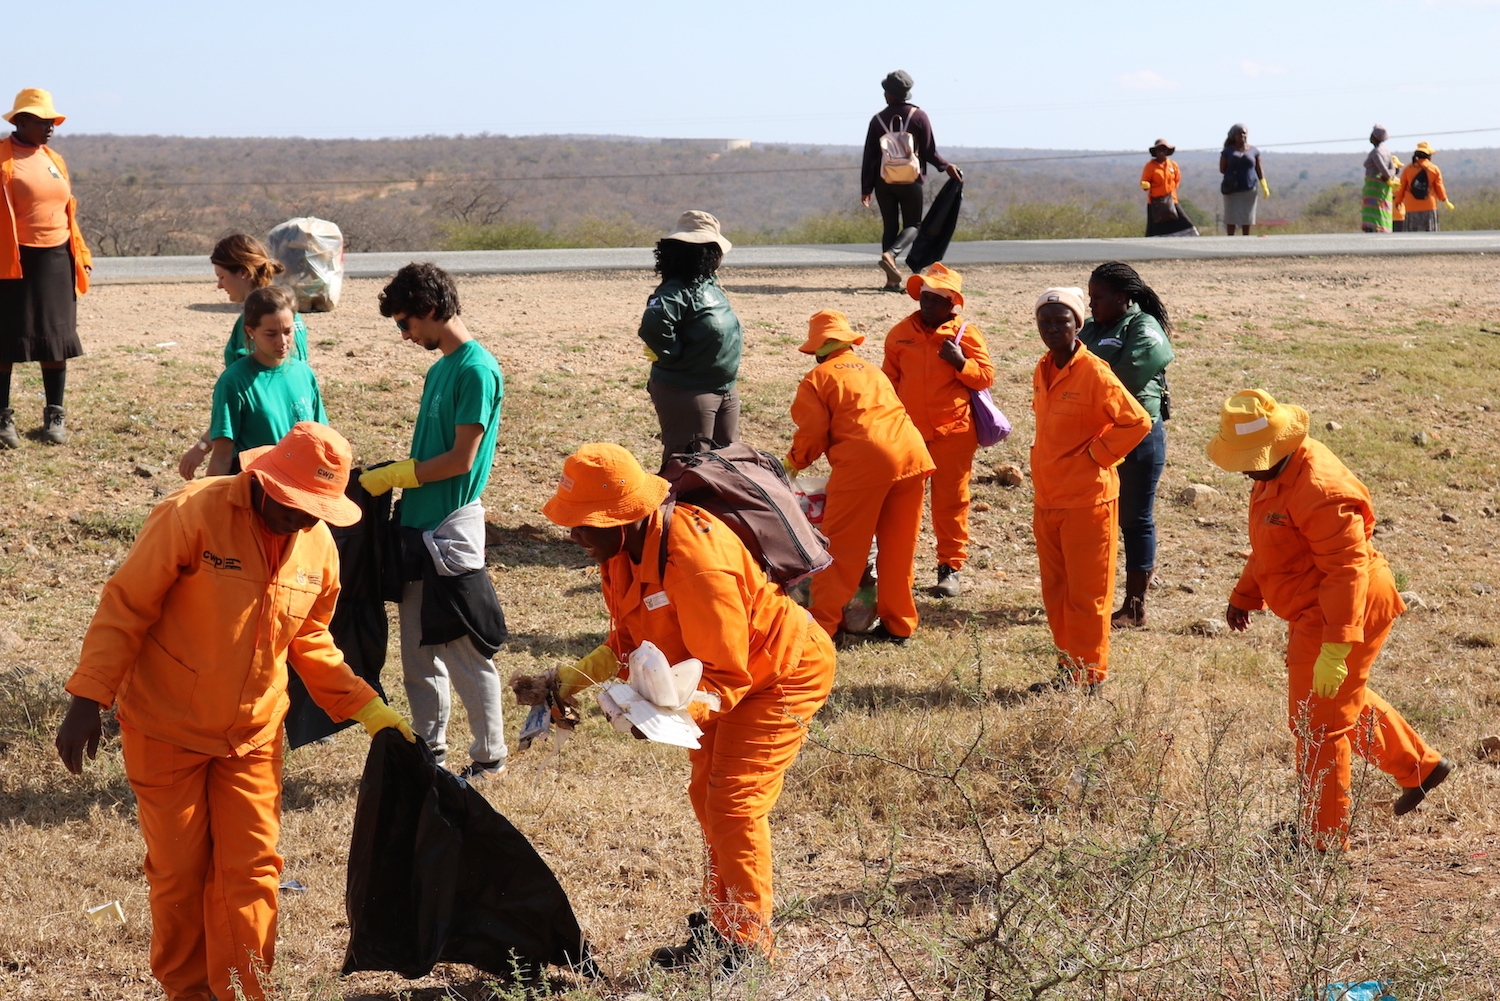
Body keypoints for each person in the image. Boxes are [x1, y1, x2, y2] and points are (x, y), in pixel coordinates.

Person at [54, 422, 415, 1001]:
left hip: (253, 735)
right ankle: (187, 992)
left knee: (252, 875)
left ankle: (245, 993)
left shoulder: (319, 546)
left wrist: (370, 711)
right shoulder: (190, 514)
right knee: (178, 877)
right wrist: (88, 697)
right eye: (293, 503)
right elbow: (128, 605)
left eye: (314, 509)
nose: (301, 518)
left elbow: (312, 641)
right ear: (263, 478)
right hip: (166, 729)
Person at [529, 443, 836, 972]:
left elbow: (726, 674)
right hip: (726, 677)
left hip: (780, 675)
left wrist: (663, 721)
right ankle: (722, 924)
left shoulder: (696, 564)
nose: (573, 536)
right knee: (707, 795)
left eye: (583, 525)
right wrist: (564, 681)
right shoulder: (623, 551)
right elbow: (628, 639)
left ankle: (748, 946)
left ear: (621, 517)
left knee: (734, 802)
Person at [1208, 390, 1451, 849]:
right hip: (1319, 606)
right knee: (1332, 701)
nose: (1242, 469)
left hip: (1344, 607)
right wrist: (1245, 595)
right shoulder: (1275, 470)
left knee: (1317, 724)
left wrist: (1337, 646)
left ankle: (1322, 839)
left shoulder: (1319, 489)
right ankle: (1420, 767)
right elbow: (1273, 547)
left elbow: (1346, 570)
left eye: (1247, 459)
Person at [359, 263, 509, 780]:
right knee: (419, 652)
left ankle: (489, 758)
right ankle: (431, 755)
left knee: (465, 650)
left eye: (405, 323)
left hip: (449, 529)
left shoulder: (476, 368)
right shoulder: (440, 367)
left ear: (428, 309)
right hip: (416, 528)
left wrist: (398, 475)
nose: (405, 335)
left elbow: (462, 460)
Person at [785, 309, 934, 645]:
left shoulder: (818, 378)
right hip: (911, 457)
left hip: (865, 465)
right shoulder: (872, 371)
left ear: (817, 349)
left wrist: (793, 463)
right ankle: (899, 625)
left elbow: (812, 434)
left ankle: (822, 628)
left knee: (839, 551)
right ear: (849, 342)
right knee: (898, 549)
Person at [1028, 288, 1150, 691]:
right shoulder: (1043, 367)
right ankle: (1069, 670)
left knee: (1087, 596)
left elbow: (1137, 422)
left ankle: (1089, 677)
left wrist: (1097, 456)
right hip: (1048, 499)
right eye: (1045, 321)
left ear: (1079, 325)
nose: (1052, 329)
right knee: (1057, 594)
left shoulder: (1095, 372)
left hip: (1087, 501)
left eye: (1061, 321)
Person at [881, 263, 994, 598]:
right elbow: (888, 383)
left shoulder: (966, 335)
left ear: (952, 304)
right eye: (924, 297)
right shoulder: (900, 333)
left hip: (954, 433)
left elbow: (985, 377)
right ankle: (901, 570)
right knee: (904, 505)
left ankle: (950, 568)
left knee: (950, 503)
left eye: (935, 299)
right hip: (909, 435)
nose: (927, 304)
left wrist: (961, 362)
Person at [1079, 263, 1175, 628]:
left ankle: (1134, 607)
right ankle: (1090, 598)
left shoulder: (1144, 328)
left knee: (1134, 520)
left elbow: (1129, 375)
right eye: (1089, 298)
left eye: (1098, 298)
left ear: (1122, 298)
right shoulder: (1091, 329)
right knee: (1092, 519)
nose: (1092, 305)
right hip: (1095, 434)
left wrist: (1085, 385)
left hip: (1138, 435)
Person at [0, 88, 92, 447]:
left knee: (56, 340)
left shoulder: (54, 158)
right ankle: (2, 418)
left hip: (57, 259)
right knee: (4, 341)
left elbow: (68, 210)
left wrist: (79, 254)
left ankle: (55, 414)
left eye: (52, 121)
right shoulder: (3, 159)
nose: (50, 127)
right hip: (13, 261)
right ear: (20, 121)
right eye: (41, 121)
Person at [178, 234, 312, 478]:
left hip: (259, 466)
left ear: (243, 272)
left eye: (221, 276)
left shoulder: (254, 327)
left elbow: (245, 402)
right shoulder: (292, 317)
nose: (219, 285)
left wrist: (203, 446)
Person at [638, 211, 743, 466]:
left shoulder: (707, 283)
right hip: (688, 390)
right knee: (689, 463)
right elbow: (653, 326)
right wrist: (674, 354)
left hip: (723, 387)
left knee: (728, 461)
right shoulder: (674, 292)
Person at [206, 286, 326, 475]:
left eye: (288, 331)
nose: (282, 341)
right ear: (250, 331)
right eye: (271, 334)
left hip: (302, 487)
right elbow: (222, 457)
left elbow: (323, 438)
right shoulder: (234, 382)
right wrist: (212, 500)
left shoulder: (304, 374)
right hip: (258, 492)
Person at [860, 70, 962, 291]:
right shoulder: (918, 116)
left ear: (888, 94)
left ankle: (891, 280)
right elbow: (929, 151)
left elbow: (870, 157)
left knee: (890, 226)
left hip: (883, 180)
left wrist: (866, 188)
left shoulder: (877, 120)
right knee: (914, 225)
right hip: (911, 180)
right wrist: (947, 167)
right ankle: (891, 254)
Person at [1219, 124, 1268, 236]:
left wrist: (1264, 185)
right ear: (1233, 135)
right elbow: (1222, 169)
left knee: (1247, 217)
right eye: (1239, 133)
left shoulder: (1254, 151)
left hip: (1249, 188)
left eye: (1244, 133)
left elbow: (1259, 169)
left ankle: (1246, 240)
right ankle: (1230, 240)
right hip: (1232, 189)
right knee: (1231, 217)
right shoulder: (1228, 151)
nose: (1242, 135)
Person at [1395, 142, 1454, 232]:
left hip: (1411, 206)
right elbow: (1439, 187)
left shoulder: (1408, 169)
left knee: (1412, 236)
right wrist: (1445, 201)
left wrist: (1398, 201)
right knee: (1430, 234)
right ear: (1429, 155)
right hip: (1429, 206)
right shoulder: (1433, 168)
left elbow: (1401, 187)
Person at [1140, 139, 1194, 237]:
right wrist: (1146, 184)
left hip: (1171, 200)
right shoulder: (1150, 166)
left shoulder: (1173, 165)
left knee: (1185, 224)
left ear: (1167, 151)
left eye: (1164, 149)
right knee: (1154, 229)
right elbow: (1144, 181)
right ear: (1155, 152)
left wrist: (1170, 191)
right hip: (1155, 202)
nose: (1162, 152)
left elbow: (1177, 180)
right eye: (1159, 149)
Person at [1361, 125, 1397, 233]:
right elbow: (1392, 169)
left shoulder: (1376, 152)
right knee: (1381, 210)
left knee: (1375, 211)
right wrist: (1389, 178)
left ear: (1375, 137)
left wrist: (1385, 177)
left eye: (1372, 135)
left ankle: (1375, 229)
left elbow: (1383, 169)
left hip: (1375, 188)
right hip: (1383, 187)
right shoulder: (1386, 151)